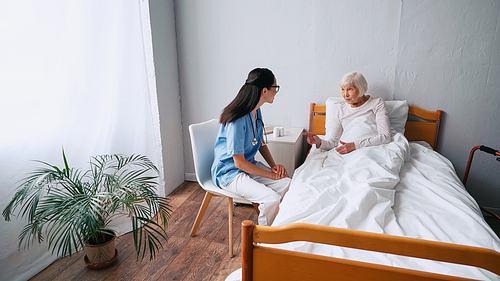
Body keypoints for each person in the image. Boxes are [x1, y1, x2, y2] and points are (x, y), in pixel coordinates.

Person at [211, 68, 290, 226]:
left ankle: (281, 230)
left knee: (288, 184)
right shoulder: (237, 118)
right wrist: (270, 176)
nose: (276, 92)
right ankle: (264, 243)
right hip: (229, 172)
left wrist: (274, 167)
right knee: (270, 199)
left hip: (248, 165)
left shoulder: (256, 110)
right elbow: (239, 163)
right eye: (276, 87)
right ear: (265, 90)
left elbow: (259, 141)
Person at [303, 72, 391, 154]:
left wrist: (355, 146)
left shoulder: (377, 104)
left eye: (350, 89)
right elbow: (333, 142)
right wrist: (319, 142)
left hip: (371, 150)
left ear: (361, 88)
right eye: (342, 89)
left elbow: (385, 136)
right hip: (347, 152)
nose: (345, 94)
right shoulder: (341, 110)